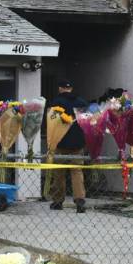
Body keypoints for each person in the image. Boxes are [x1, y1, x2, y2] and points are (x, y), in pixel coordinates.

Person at [50, 80, 88, 213]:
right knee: (77, 171)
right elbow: (86, 122)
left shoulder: (56, 102)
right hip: (78, 144)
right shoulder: (81, 102)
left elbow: (52, 122)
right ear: (71, 89)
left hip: (60, 143)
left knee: (59, 172)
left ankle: (58, 201)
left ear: (60, 88)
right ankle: (80, 201)